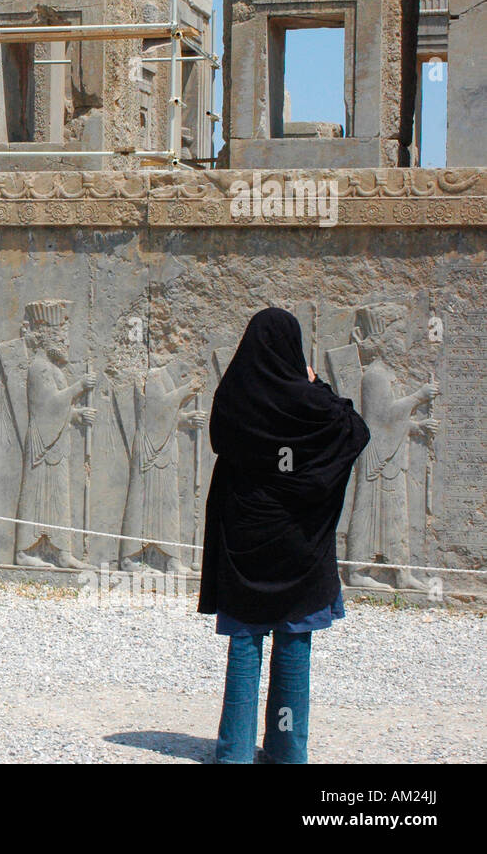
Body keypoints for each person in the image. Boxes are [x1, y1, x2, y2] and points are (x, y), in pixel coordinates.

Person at [199, 308, 370, 764]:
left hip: (246, 536)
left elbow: (222, 443)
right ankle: (285, 749)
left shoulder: (235, 396)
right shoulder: (309, 403)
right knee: (294, 643)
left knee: (246, 643)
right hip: (299, 540)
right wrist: (317, 385)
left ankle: (234, 752)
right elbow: (355, 429)